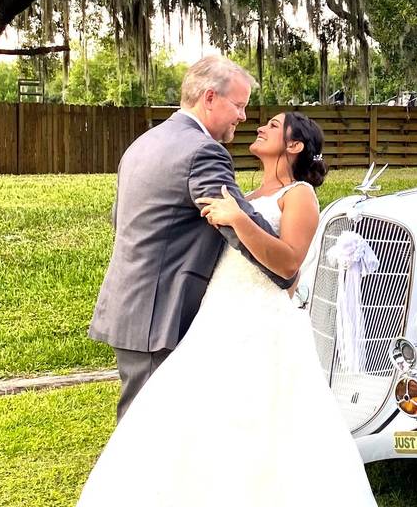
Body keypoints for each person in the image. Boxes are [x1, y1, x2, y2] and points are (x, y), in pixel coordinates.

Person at [77, 110, 377, 506]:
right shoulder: (247, 195)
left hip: (262, 321)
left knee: (260, 422)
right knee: (196, 418)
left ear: (294, 145)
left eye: (274, 124)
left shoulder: (299, 194)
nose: (261, 125)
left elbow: (289, 264)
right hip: (218, 313)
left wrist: (238, 220)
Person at [88, 55, 293, 422]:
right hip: (161, 312)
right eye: (239, 105)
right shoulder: (203, 152)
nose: (244, 117)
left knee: (154, 422)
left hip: (131, 304)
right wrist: (286, 268)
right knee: (148, 429)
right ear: (210, 97)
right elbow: (236, 221)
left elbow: (120, 221)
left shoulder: (144, 143)